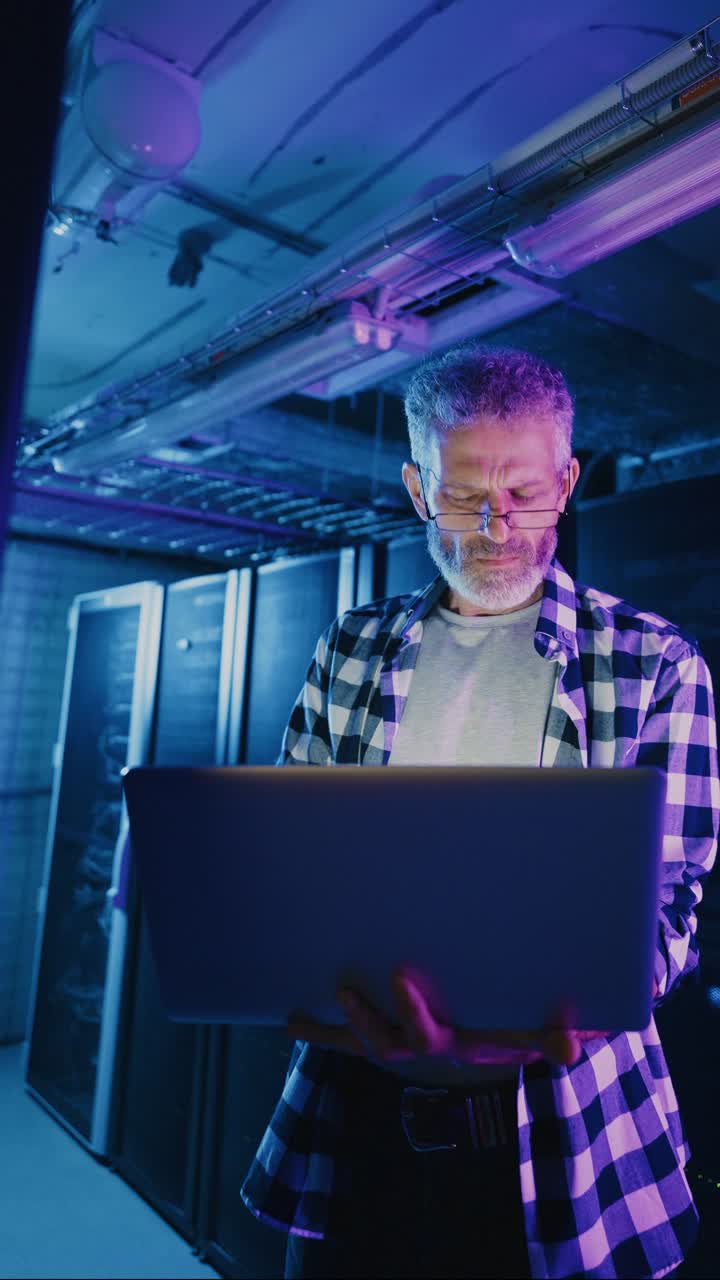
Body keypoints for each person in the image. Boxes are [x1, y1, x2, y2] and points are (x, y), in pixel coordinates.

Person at [240, 342, 718, 1279]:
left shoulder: (657, 661)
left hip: (573, 1140)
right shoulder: (352, 646)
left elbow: (674, 901)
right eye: (464, 496)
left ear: (568, 481)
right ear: (419, 489)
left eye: (525, 492)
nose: (497, 524)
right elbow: (286, 860)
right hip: (358, 1117)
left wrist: (591, 1001)